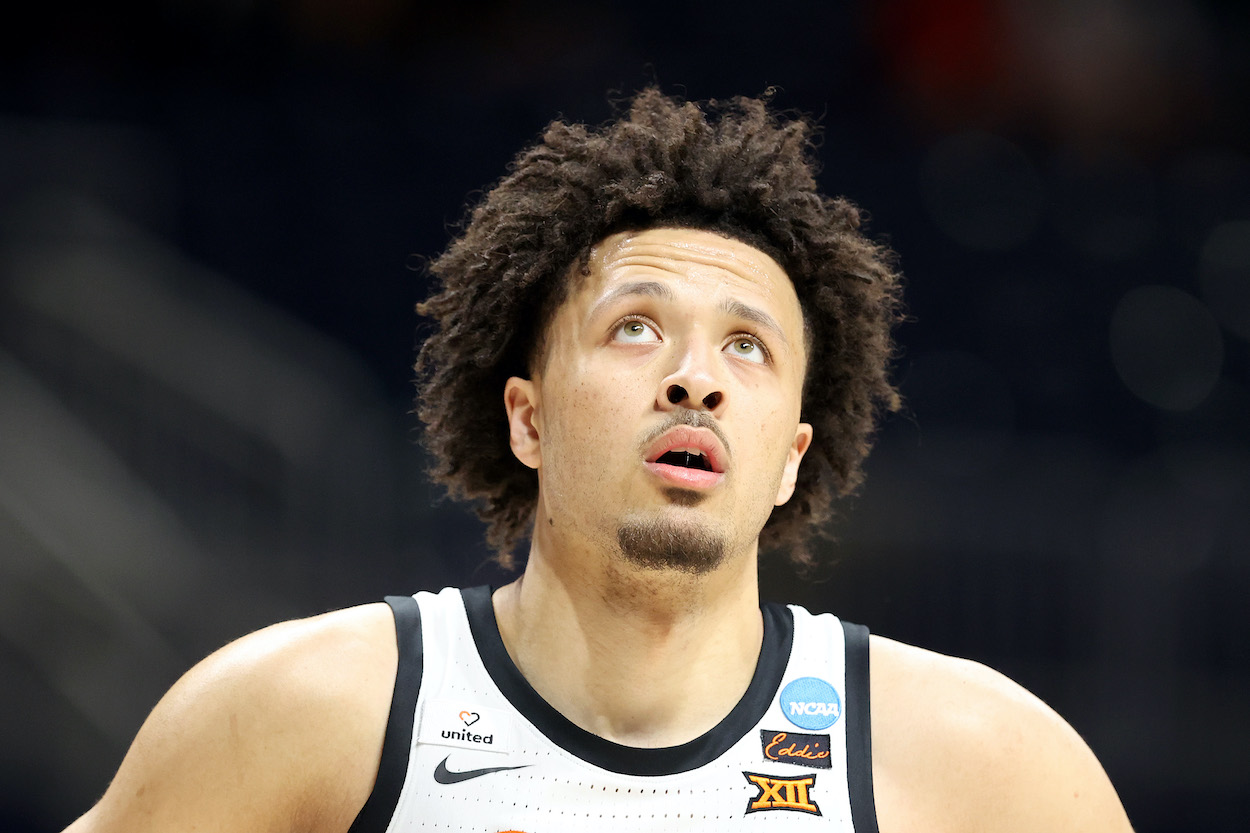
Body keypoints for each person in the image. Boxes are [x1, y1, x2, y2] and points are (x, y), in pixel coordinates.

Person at [63, 88, 1134, 832]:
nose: (694, 378)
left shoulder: (984, 763)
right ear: (524, 418)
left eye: (747, 346)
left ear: (788, 460)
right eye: (634, 327)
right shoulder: (295, 712)